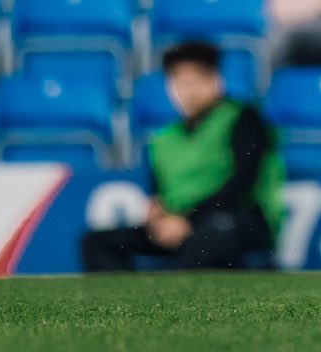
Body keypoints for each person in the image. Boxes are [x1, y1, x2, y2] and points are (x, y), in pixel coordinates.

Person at [79, 41, 283, 272]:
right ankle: (129, 296)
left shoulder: (244, 119)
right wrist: (159, 217)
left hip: (236, 220)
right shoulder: (164, 139)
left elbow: (243, 182)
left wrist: (190, 221)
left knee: (213, 233)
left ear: (216, 80)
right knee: (97, 242)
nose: (190, 90)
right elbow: (161, 192)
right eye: (181, 82)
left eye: (198, 80)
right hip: (180, 223)